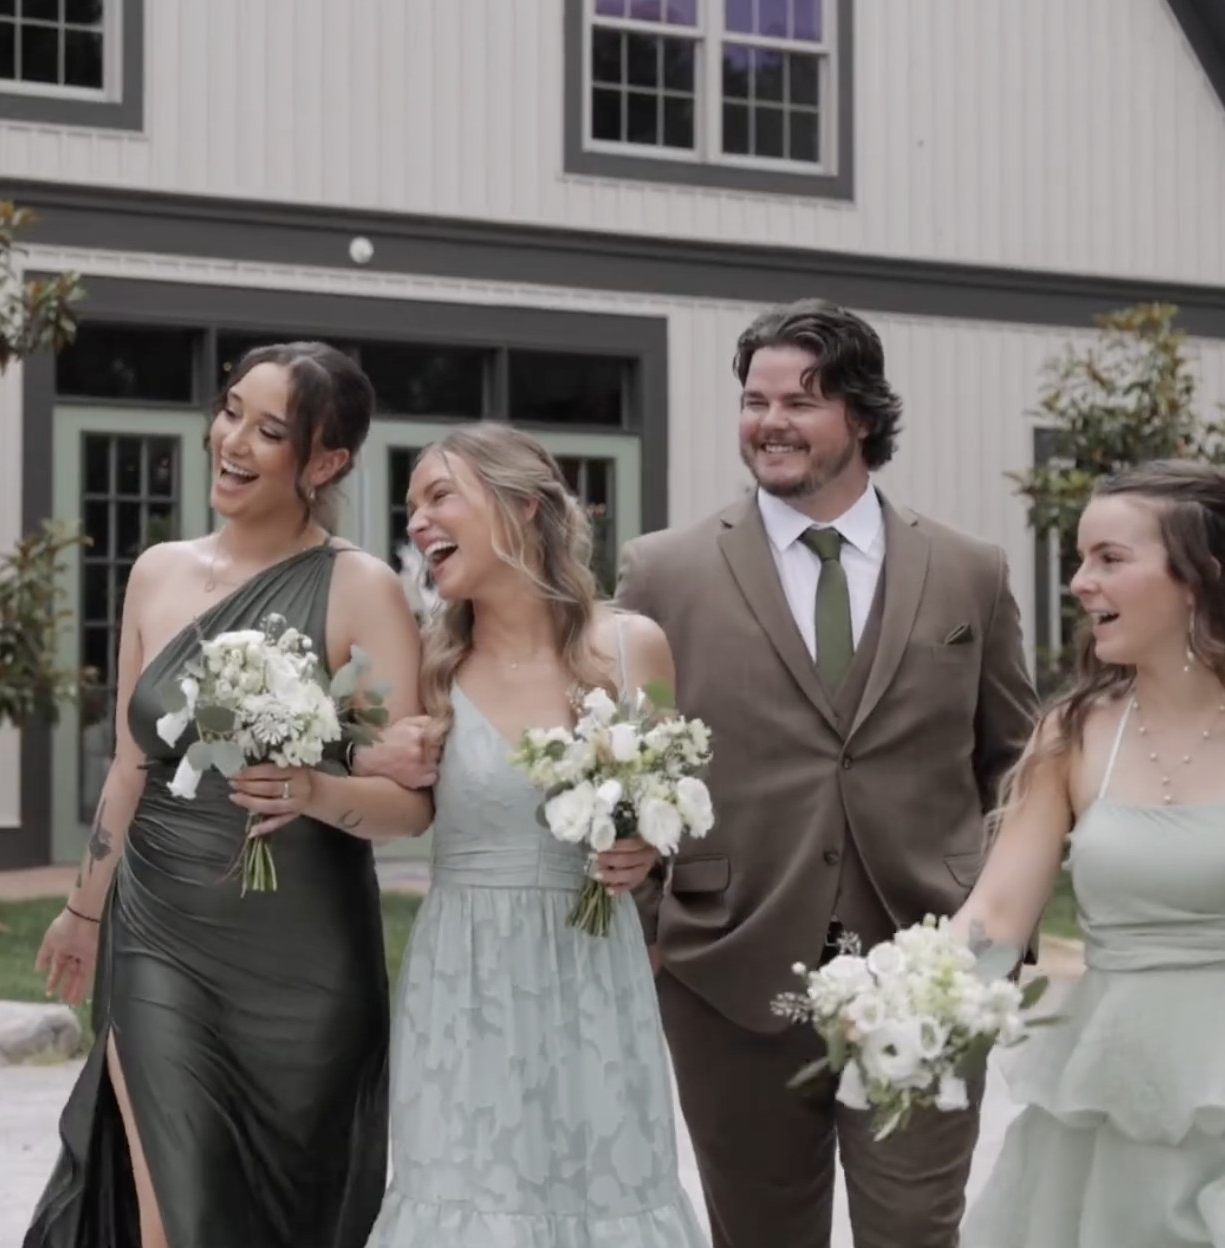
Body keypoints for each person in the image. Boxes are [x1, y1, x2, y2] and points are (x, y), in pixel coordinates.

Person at [612, 299, 1038, 1248]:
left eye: (801, 400)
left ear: (864, 416)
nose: (770, 422)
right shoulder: (663, 571)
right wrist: (651, 931)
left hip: (928, 963)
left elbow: (1016, 763)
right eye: (754, 400)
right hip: (730, 965)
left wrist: (996, 930)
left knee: (915, 1231)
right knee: (759, 1234)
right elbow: (625, 767)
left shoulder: (970, 570)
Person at [22, 342, 433, 1248]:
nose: (234, 440)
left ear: (324, 463)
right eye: (230, 411)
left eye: (270, 430)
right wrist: (83, 912)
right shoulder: (158, 572)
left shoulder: (360, 588)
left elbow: (409, 806)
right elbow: (131, 762)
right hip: (160, 934)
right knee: (181, 1215)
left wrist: (316, 789)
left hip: (305, 959)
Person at [348, 423, 705, 1247]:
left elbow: (663, 803)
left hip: (592, 973)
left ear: (525, 508)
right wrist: (345, 763)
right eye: (410, 507)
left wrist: (644, 846)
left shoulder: (630, 648)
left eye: (440, 496)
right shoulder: (426, 663)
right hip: (464, 978)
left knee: (600, 1189)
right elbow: (391, 802)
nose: (417, 522)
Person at [950, 461, 1225, 1248]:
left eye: (1109, 559)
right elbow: (997, 914)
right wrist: (901, 994)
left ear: (1197, 578)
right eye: (1079, 559)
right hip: (1116, 1090)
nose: (1078, 583)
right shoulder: (1073, 734)